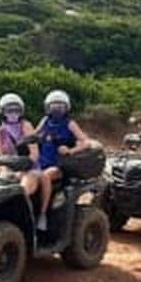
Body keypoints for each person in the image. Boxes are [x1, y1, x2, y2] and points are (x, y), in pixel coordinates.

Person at [35, 90, 90, 229]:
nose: (57, 109)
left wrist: (70, 150)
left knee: (45, 176)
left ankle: (43, 214)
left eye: (60, 106)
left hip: (60, 165)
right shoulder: (45, 121)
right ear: (48, 107)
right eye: (53, 106)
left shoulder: (70, 123)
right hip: (42, 161)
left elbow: (86, 142)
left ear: (66, 108)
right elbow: (34, 135)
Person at [0, 92, 48, 230]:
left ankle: (32, 221)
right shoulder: (0, 131)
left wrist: (23, 165)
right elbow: (1, 158)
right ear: (2, 112)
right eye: (9, 110)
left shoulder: (26, 126)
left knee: (21, 191)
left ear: (21, 111)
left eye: (16, 110)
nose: (12, 113)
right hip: (11, 169)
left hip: (30, 168)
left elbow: (34, 154)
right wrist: (4, 170)